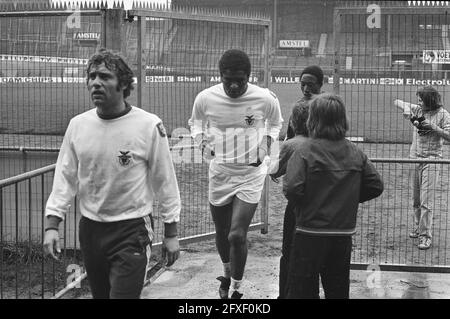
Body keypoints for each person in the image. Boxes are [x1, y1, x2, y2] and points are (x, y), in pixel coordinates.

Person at [43, 48, 181, 299]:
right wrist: (52, 224)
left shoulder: (149, 125)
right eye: (92, 76)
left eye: (105, 77)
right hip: (91, 231)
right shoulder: (78, 125)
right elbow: (65, 178)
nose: (96, 82)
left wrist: (171, 232)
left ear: (123, 84)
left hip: (131, 230)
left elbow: (165, 180)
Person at [188, 49, 283, 299]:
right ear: (220, 74)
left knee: (236, 234)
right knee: (222, 234)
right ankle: (227, 273)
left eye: (239, 80)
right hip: (220, 172)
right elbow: (195, 123)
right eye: (227, 78)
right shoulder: (206, 98)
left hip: (250, 174)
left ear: (248, 76)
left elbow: (276, 122)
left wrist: (266, 144)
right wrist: (201, 141)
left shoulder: (264, 98)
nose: (232, 85)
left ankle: (236, 289)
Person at [284, 93, 383, 299]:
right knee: (338, 290)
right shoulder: (355, 152)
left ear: (313, 120)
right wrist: (346, 199)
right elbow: (375, 185)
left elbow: (292, 188)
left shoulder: (304, 151)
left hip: (309, 232)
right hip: (342, 235)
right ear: (342, 120)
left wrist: (309, 204)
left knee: (302, 290)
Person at [394, 86, 450, 250]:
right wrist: (405, 108)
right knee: (416, 199)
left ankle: (426, 236)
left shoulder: (443, 115)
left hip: (432, 160)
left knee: (426, 201)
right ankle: (419, 228)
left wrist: (432, 127)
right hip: (415, 159)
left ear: (429, 101)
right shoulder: (418, 109)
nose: (418, 103)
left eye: (421, 99)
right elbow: (397, 101)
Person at [269, 100, 309, 299]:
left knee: (289, 250)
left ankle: (284, 294)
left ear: (295, 122)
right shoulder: (328, 142)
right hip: (325, 210)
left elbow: (275, 171)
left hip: (297, 207)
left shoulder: (292, 144)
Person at [286, 65, 324, 139]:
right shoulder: (298, 107)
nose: (306, 89)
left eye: (310, 85)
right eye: (303, 84)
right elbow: (290, 136)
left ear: (320, 85)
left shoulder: (329, 107)